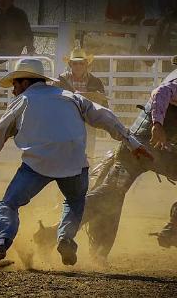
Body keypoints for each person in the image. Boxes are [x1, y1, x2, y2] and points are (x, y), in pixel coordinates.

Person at [0, 58, 152, 267]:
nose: (13, 90)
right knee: (75, 201)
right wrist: (131, 142)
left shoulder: (22, 101)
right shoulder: (71, 97)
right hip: (74, 162)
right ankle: (66, 238)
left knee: (9, 204)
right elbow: (104, 116)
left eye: (15, 84)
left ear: (24, 82)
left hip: (37, 163)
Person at [34, 56, 177, 264]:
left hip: (135, 147)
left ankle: (53, 236)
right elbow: (162, 93)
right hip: (148, 146)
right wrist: (158, 125)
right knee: (109, 194)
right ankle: (172, 228)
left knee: (109, 194)